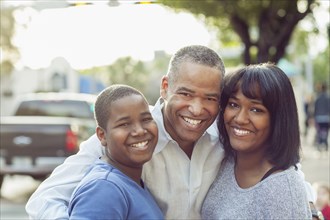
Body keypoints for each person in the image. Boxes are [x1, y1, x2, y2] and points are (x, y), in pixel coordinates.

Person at [26, 46, 315, 219]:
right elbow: (44, 199)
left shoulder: (226, 134)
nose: (197, 109)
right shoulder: (131, 136)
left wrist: (306, 195)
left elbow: (279, 174)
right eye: (186, 93)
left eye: (211, 98)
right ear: (165, 87)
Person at [201, 63, 312, 219]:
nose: (239, 119)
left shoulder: (281, 191)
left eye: (256, 109)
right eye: (233, 105)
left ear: (278, 119)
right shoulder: (222, 159)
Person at [68, 84, 163, 219]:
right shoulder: (104, 188)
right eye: (124, 124)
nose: (140, 130)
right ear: (102, 135)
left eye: (146, 119)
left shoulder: (129, 181)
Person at [313, 82, 330, 151]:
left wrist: (314, 117)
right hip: (326, 117)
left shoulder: (317, 97)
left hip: (318, 117)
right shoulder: (328, 98)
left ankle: (320, 144)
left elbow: (315, 108)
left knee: (319, 131)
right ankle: (325, 142)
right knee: (326, 131)